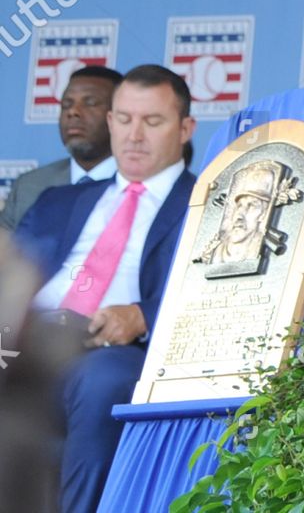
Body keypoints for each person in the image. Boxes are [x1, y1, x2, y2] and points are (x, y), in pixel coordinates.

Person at [12, 64, 197, 513]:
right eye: (125, 119)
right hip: (28, 342)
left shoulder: (207, 204)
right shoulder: (58, 201)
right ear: (111, 122)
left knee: (103, 382)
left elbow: (214, 296)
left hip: (114, 346)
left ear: (185, 128)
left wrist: (143, 316)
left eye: (153, 122)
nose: (135, 135)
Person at [0, 66, 122, 232]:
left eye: (90, 103)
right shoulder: (29, 186)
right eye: (66, 104)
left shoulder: (142, 185)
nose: (73, 112)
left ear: (120, 115)